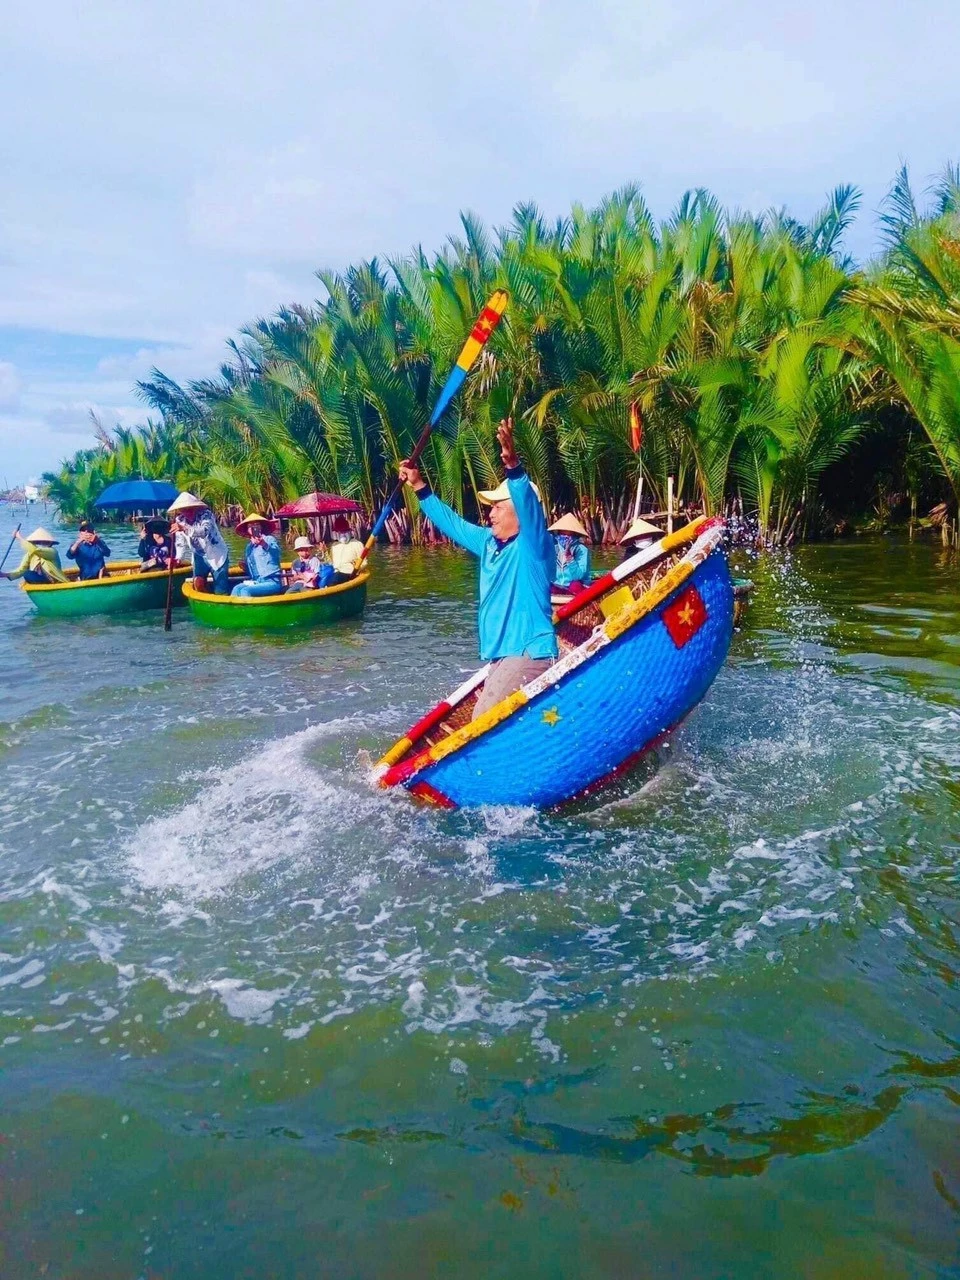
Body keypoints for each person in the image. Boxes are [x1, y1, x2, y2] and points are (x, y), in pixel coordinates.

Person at [399, 418, 557, 720]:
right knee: (483, 719)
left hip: (530, 650)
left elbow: (529, 507)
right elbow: (453, 524)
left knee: (481, 721)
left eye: (498, 507)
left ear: (518, 515)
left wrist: (513, 466)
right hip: (505, 653)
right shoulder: (488, 543)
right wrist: (419, 486)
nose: (490, 513)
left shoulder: (534, 546)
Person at [168, 492, 230, 594]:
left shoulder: (206, 515)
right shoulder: (179, 520)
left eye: (191, 509)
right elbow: (180, 543)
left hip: (217, 555)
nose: (188, 512)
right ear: (180, 511)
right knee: (198, 584)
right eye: (184, 510)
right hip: (198, 556)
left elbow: (204, 531)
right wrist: (178, 558)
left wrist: (184, 528)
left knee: (220, 590)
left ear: (196, 507)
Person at [231, 513, 282, 597]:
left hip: (272, 581)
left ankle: (249, 610)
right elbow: (252, 571)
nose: (253, 527)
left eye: (256, 524)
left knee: (245, 591)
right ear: (247, 529)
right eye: (250, 525)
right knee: (236, 588)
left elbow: (276, 553)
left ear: (261, 527)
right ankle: (234, 610)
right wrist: (245, 567)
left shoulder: (269, 539)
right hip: (256, 581)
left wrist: (263, 544)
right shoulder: (249, 547)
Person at [1, 527, 67, 584]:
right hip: (40, 578)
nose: (40, 544)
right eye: (37, 542)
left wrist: (19, 537)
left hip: (53, 579)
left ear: (50, 543)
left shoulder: (52, 552)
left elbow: (36, 550)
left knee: (27, 573)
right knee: (26, 572)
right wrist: (4, 575)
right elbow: (21, 570)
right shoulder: (30, 554)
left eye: (43, 542)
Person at [549, 513, 591, 591]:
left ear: (575, 535)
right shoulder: (554, 548)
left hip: (577, 585)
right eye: (562, 534)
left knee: (575, 585)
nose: (565, 538)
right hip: (559, 585)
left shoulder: (582, 550)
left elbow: (578, 576)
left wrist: (569, 558)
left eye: (569, 535)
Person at [328, 516, 365, 582]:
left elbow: (364, 562)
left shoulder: (357, 544)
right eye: (340, 532)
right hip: (335, 573)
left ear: (349, 531)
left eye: (345, 531)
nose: (343, 534)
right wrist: (324, 551)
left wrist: (357, 566)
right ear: (337, 532)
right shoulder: (334, 546)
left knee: (337, 577)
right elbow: (331, 562)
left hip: (350, 573)